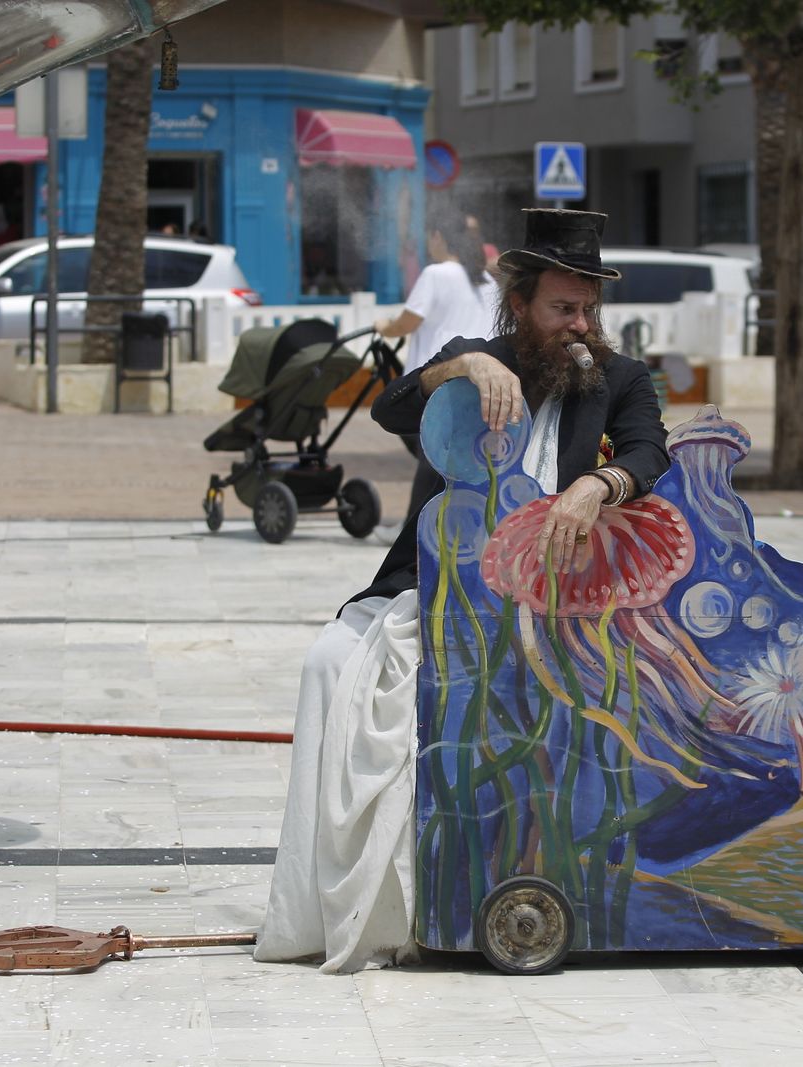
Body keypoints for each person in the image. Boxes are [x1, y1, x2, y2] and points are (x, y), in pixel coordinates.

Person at [254, 208, 671, 974]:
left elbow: (651, 449)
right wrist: (465, 369)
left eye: (588, 309)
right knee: (327, 665)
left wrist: (598, 483)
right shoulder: (474, 356)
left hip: (556, 601)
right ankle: (333, 902)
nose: (580, 325)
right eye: (562, 309)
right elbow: (390, 406)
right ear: (520, 304)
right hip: (439, 584)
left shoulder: (618, 377)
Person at [374, 205, 500, 517]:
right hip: (477, 384)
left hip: (435, 384)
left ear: (438, 236)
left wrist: (383, 327)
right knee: (444, 462)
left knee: (430, 460)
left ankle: (413, 533)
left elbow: (406, 323)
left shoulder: (436, 273)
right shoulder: (486, 280)